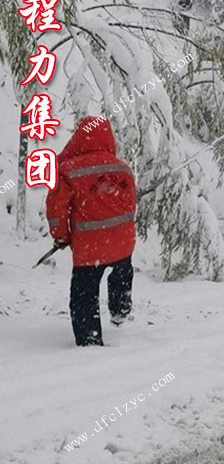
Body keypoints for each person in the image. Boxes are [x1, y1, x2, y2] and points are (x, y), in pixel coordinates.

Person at [46, 116, 137, 346]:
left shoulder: (67, 171)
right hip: (123, 242)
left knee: (84, 295)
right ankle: (120, 308)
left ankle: (90, 339)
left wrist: (61, 236)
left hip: (90, 248)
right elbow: (130, 204)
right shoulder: (122, 168)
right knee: (122, 272)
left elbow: (56, 209)